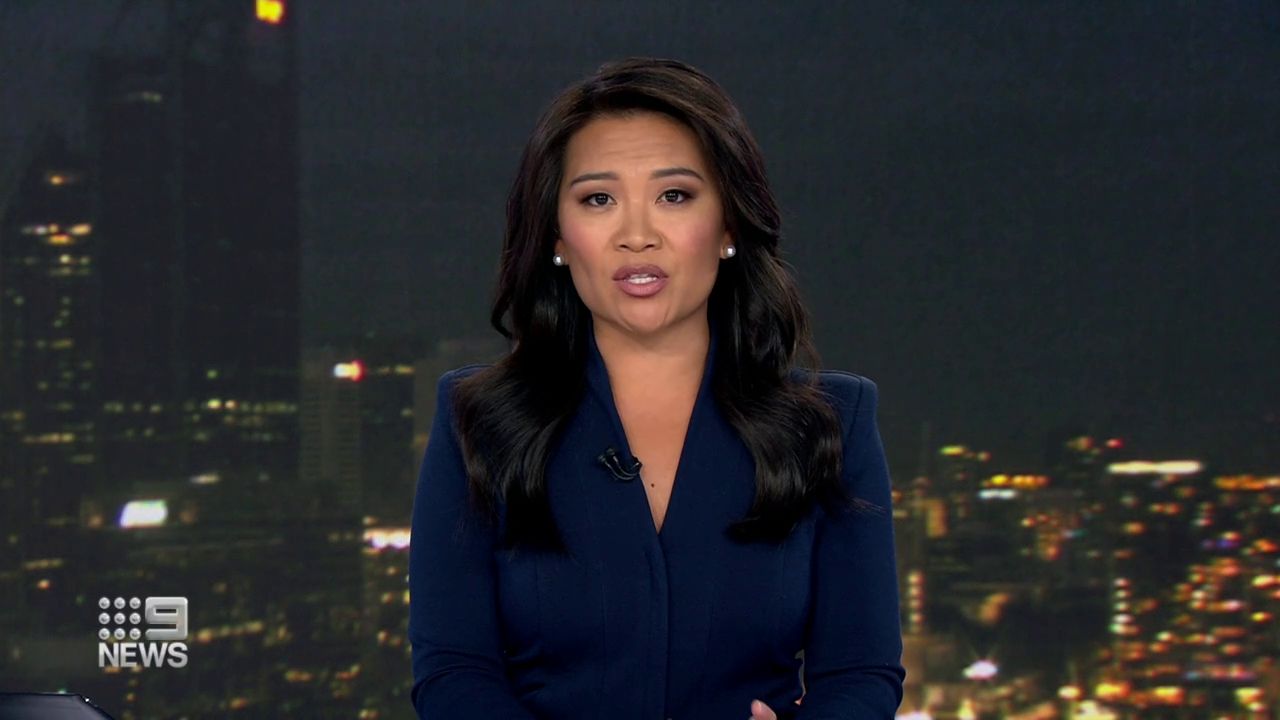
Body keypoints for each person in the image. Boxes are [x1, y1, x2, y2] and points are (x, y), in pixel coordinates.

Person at [408, 57, 905, 720]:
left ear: (728, 226)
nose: (637, 236)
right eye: (598, 200)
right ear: (558, 238)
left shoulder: (833, 423)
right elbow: (452, 671)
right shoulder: (477, 420)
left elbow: (863, 672)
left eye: (674, 196)